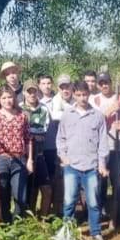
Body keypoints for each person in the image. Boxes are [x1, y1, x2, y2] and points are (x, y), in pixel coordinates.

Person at [57, 83, 110, 240]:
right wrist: (63, 157)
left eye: (85, 95)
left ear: (89, 94)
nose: (82, 98)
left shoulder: (97, 116)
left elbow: (103, 142)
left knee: (93, 202)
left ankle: (96, 232)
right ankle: (68, 232)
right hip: (72, 166)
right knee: (69, 201)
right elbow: (61, 139)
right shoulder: (67, 114)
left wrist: (102, 164)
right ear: (74, 95)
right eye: (79, 95)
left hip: (91, 167)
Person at [0, 85, 33, 223]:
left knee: (21, 196)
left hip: (19, 159)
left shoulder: (21, 116)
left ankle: (17, 223)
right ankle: (6, 224)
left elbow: (28, 138)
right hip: (1, 159)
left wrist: (30, 159)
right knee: (3, 194)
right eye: (4, 98)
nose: (7, 100)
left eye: (10, 97)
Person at [92, 72, 120, 231]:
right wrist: (108, 112)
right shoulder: (95, 100)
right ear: (98, 85)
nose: (104, 85)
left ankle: (118, 215)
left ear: (111, 83)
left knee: (117, 184)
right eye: (101, 83)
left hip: (118, 146)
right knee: (101, 183)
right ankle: (100, 214)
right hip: (101, 148)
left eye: (107, 82)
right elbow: (94, 122)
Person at [22, 80, 52, 215]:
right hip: (24, 154)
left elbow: (43, 130)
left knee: (47, 189)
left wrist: (30, 131)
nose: (32, 94)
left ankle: (44, 219)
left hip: (39, 153)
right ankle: (30, 220)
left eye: (34, 91)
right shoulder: (19, 108)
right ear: (24, 93)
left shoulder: (44, 109)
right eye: (29, 92)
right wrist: (31, 131)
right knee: (30, 189)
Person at [46, 75, 74, 216]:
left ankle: (73, 212)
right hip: (58, 148)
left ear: (71, 86)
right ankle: (57, 213)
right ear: (58, 89)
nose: (65, 90)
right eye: (62, 87)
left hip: (74, 147)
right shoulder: (55, 101)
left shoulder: (77, 98)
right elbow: (55, 116)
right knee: (58, 181)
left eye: (67, 86)